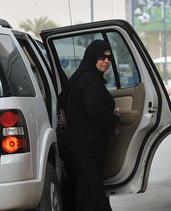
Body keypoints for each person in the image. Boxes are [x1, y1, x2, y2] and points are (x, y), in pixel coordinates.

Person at [57, 40, 120, 211]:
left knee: (81, 193)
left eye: (109, 58)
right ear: (92, 57)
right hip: (86, 148)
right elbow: (94, 111)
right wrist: (113, 119)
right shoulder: (91, 81)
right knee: (92, 197)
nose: (106, 61)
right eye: (102, 57)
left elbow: (62, 99)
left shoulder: (80, 76)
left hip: (76, 145)